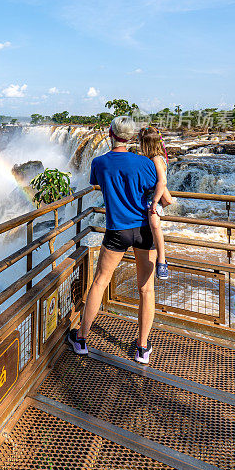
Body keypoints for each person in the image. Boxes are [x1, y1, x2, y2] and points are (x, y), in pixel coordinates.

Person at [67, 116, 168, 364]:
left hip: (116, 230)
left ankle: (81, 340)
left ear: (111, 134)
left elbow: (100, 184)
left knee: (100, 282)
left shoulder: (99, 162)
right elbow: (163, 195)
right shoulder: (145, 163)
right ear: (132, 137)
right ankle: (142, 348)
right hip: (144, 229)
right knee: (146, 289)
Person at [138, 125, 171, 280]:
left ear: (146, 145)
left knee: (155, 223)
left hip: (153, 198)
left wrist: (155, 203)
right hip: (150, 196)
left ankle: (162, 260)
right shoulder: (154, 158)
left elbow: (162, 182)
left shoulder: (157, 159)